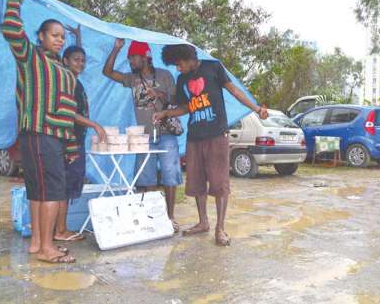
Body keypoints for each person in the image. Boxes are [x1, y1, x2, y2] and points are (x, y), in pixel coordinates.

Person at [154, 44, 268, 246]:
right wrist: (165, 113)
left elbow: (234, 90)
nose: (178, 69)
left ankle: (220, 228)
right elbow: (185, 107)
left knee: (219, 183)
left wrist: (257, 109)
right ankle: (203, 222)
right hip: (195, 137)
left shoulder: (213, 67)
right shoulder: (182, 80)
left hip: (217, 135)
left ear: (188, 58)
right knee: (197, 181)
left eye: (179, 64)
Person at [1, 0, 77, 263]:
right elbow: (10, 28)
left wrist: (70, 148)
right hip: (38, 134)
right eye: (54, 35)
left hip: (51, 138)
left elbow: (67, 113)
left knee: (37, 189)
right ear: (41, 37)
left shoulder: (64, 72)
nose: (59, 39)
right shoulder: (31, 58)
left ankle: (36, 243)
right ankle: (48, 248)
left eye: (62, 37)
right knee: (51, 191)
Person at [102, 38, 183, 231]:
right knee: (145, 178)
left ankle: (170, 217)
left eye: (133, 58)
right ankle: (150, 217)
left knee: (170, 177)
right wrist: (116, 48)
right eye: (129, 59)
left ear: (145, 57)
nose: (130, 62)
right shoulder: (132, 79)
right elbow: (107, 72)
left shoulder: (164, 76)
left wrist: (160, 95)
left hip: (166, 134)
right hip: (144, 136)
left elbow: (177, 99)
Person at [54, 26, 107, 242]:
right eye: (77, 60)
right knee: (65, 186)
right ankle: (60, 230)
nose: (81, 63)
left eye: (83, 60)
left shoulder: (74, 79)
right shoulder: (66, 80)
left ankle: (60, 228)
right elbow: (71, 113)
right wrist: (95, 125)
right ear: (65, 61)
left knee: (67, 184)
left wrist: (78, 38)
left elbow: (73, 55)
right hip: (69, 142)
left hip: (75, 140)